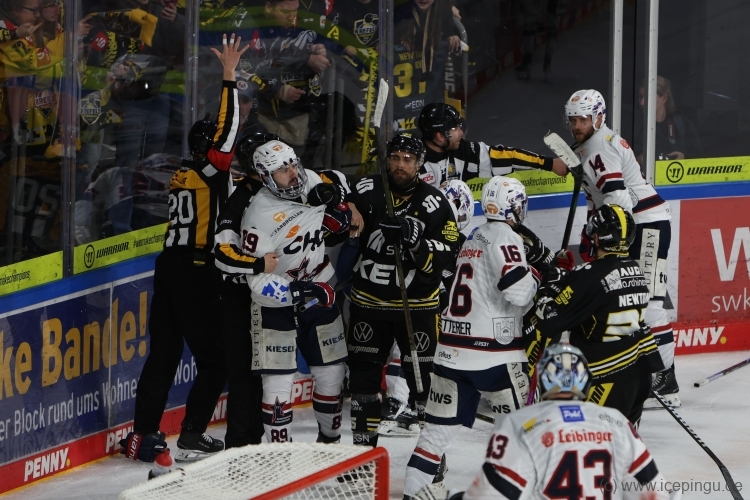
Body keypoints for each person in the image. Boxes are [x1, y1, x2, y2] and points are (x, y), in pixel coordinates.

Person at [120, 34, 247, 464]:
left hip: (169, 266)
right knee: (218, 359)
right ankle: (192, 433)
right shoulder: (212, 169)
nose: (230, 151)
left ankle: (142, 435)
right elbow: (227, 131)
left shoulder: (184, 172)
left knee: (164, 353)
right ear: (210, 149)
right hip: (196, 269)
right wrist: (229, 76)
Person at [403, 176, 547, 499]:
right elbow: (519, 292)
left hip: (451, 353)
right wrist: (537, 277)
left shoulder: (473, 236)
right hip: (495, 356)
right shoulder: (505, 236)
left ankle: (412, 496)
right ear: (513, 207)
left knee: (433, 440)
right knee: (525, 436)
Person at [559, 89, 678, 408]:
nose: (577, 126)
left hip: (646, 225)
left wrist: (606, 236)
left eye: (584, 119)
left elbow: (617, 198)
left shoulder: (598, 147)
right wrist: (593, 229)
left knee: (649, 303)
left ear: (599, 118)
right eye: (573, 120)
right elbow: (599, 198)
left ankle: (667, 379)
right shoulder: (591, 145)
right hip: (633, 225)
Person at [344, 133, 460, 449]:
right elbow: (337, 204)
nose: (400, 164)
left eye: (407, 159)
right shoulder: (367, 190)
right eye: (395, 157)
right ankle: (363, 455)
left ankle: (431, 456)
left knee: (424, 384)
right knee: (363, 383)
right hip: (369, 304)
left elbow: (450, 252)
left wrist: (416, 244)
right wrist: (347, 208)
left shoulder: (435, 202)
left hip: (417, 306)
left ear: (420, 164)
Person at [455, 344, 677, 500]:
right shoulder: (616, 421)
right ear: (585, 381)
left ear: (542, 380)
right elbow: (655, 492)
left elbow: (492, 495)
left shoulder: (517, 423)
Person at [239, 139, 352, 443]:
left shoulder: (311, 179)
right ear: (265, 177)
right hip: (276, 307)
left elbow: (341, 186)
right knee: (278, 389)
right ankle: (280, 459)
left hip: (320, 291)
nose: (293, 174)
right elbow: (256, 282)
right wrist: (300, 292)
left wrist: (339, 207)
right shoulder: (257, 218)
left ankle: (329, 444)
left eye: (293, 164)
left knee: (332, 376)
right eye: (282, 170)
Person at [531, 204, 665, 426]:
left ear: (596, 237)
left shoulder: (590, 275)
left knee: (594, 443)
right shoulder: (636, 271)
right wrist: (568, 279)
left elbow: (549, 321)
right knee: (624, 442)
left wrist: (547, 289)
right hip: (638, 373)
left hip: (607, 377)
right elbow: (596, 296)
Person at [381, 179, 475, 439]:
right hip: (432, 309)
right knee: (411, 349)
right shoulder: (458, 241)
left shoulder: (457, 241)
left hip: (440, 310)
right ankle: (400, 403)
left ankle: (406, 403)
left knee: (414, 351)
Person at [213, 130, 281, 449]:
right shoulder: (240, 199)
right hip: (240, 297)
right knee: (244, 372)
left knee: (263, 371)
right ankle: (239, 444)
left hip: (267, 296)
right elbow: (222, 252)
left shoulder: (281, 190)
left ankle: (253, 439)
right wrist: (257, 265)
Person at [416, 102, 568, 189]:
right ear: (440, 136)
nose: (461, 132)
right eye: (454, 128)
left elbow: (507, 157)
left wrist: (549, 163)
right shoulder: (411, 161)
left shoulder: (462, 151)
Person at [634, 75, 703, 162]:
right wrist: (637, 160)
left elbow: (698, 157)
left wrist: (684, 156)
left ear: (664, 98)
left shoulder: (682, 125)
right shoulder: (635, 126)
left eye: (647, 97)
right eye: (640, 97)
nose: (642, 102)